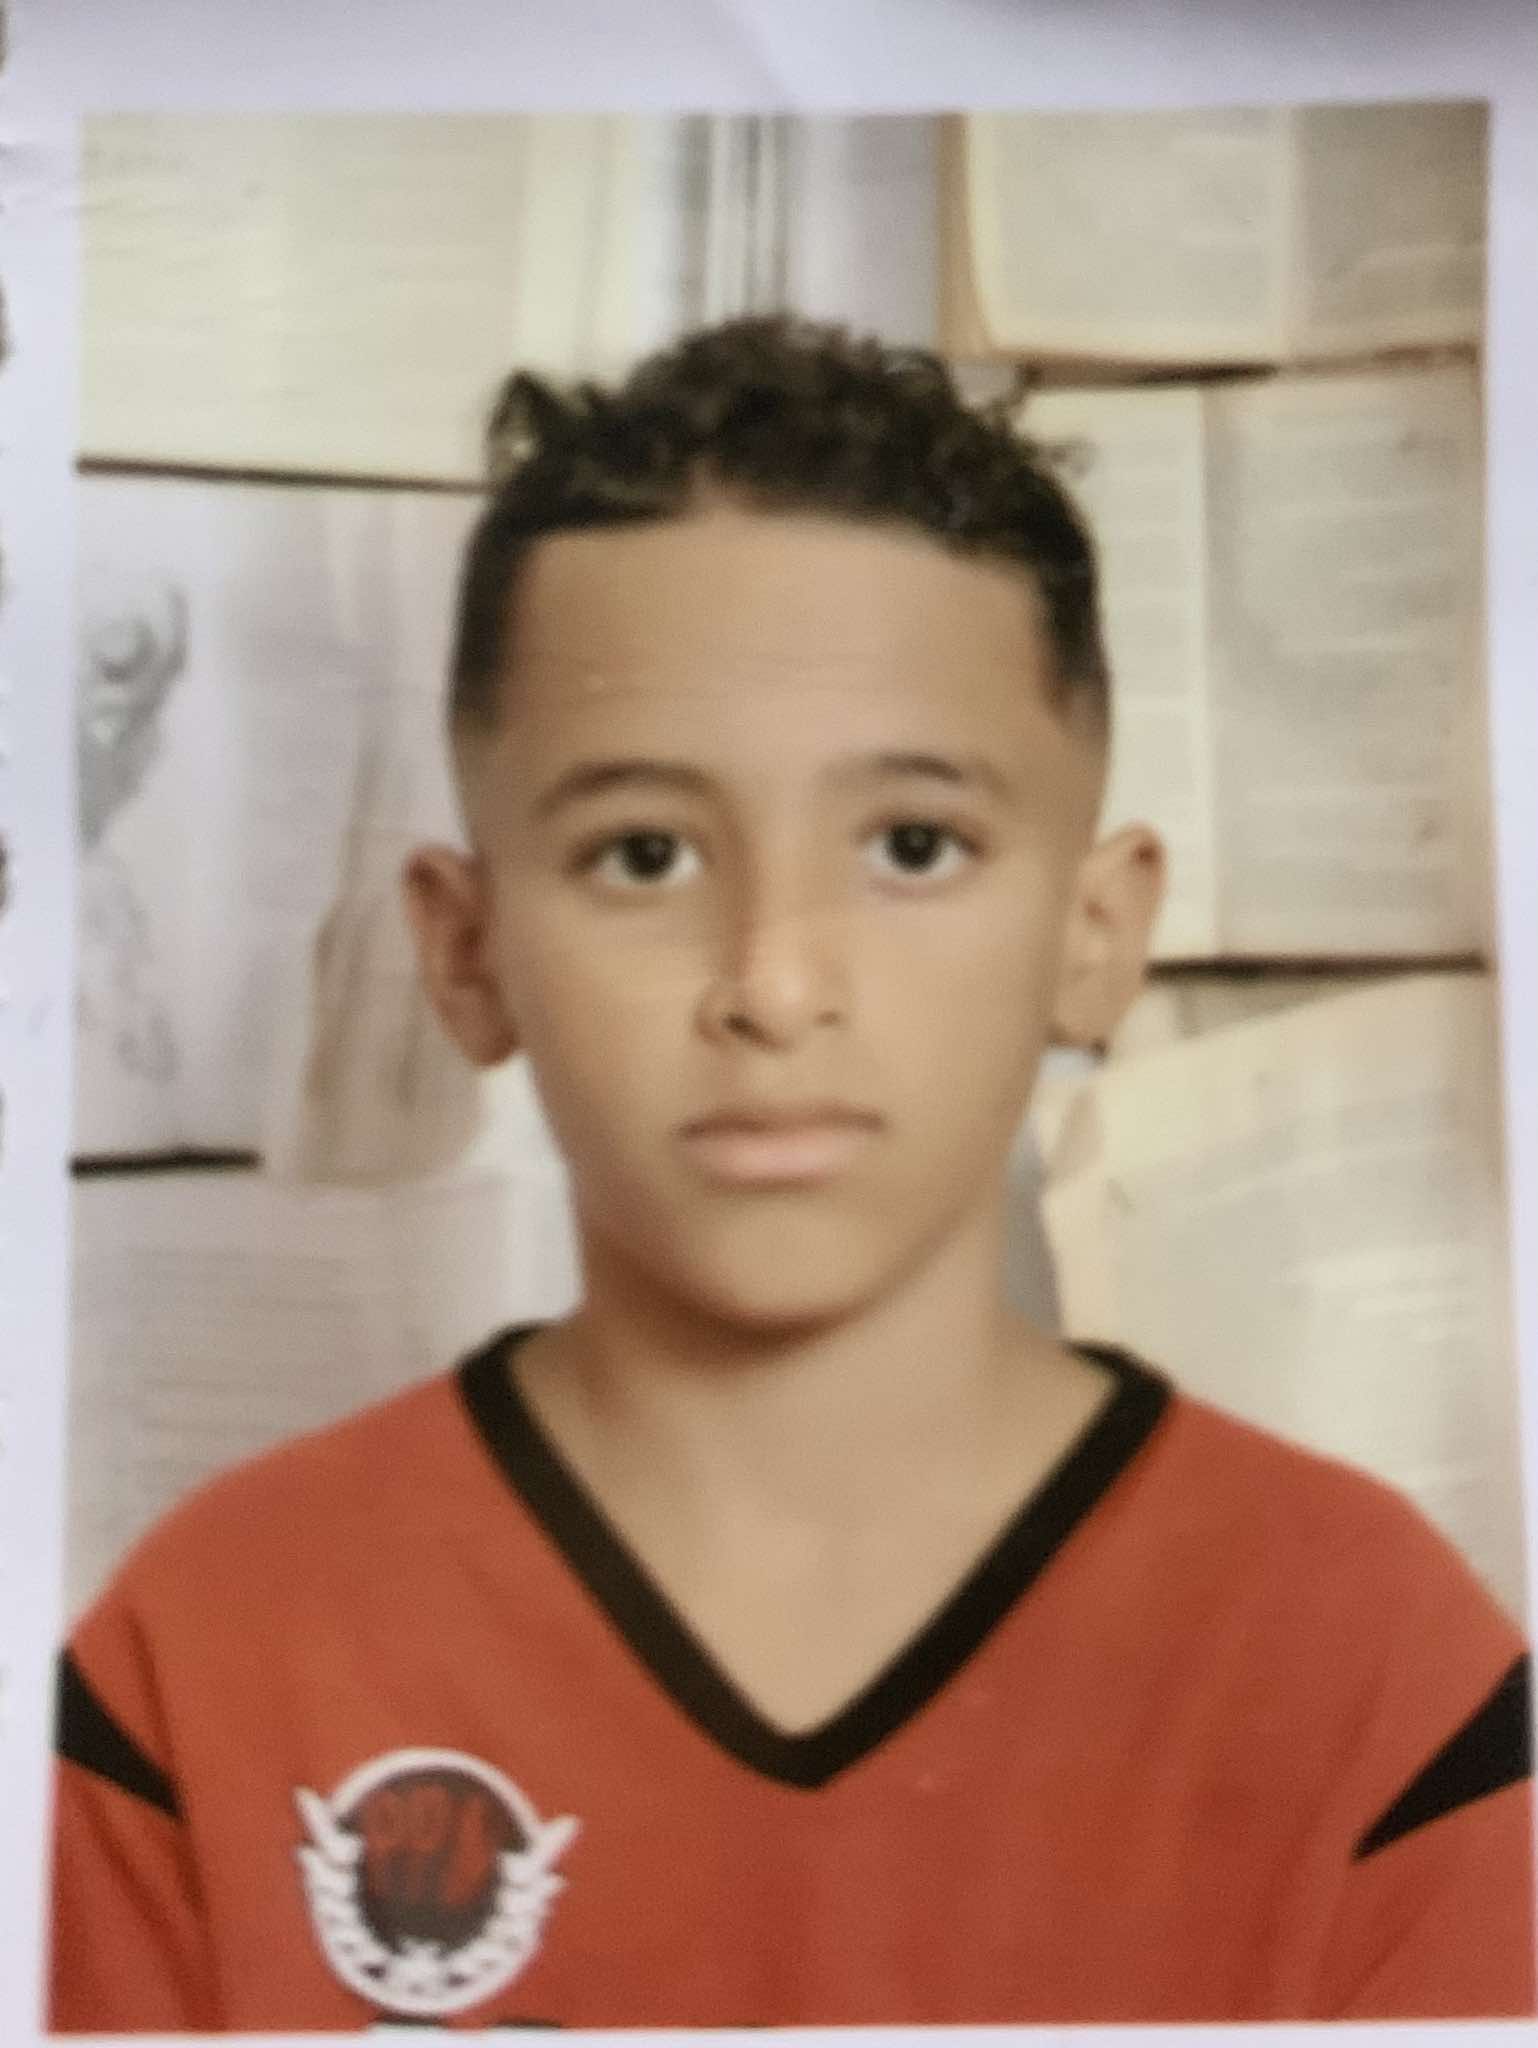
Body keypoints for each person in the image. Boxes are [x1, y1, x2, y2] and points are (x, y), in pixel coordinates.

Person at [49, 317, 1534, 2032]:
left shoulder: (1370, 1673)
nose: (770, 982)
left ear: (1093, 932)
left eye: (912, 845)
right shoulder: (209, 1658)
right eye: (643, 854)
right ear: (464, 952)